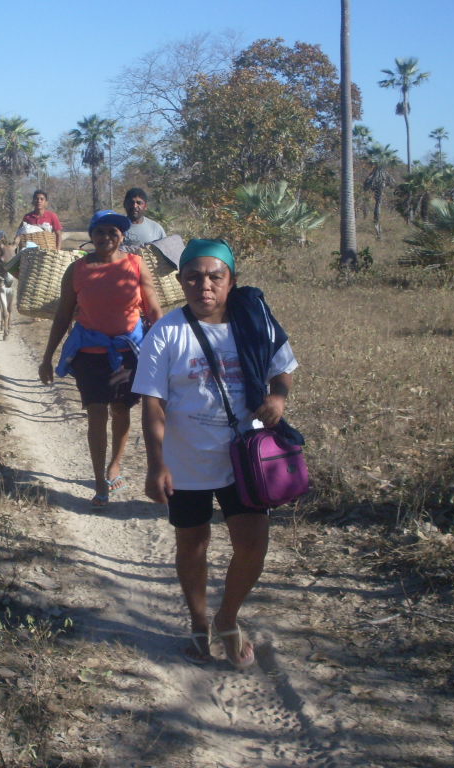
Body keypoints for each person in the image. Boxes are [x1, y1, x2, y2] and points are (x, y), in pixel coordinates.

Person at [132, 239, 300, 668]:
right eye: (193, 276)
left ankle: (227, 618)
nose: (203, 285)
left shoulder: (254, 323)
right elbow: (153, 403)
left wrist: (277, 399)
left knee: (252, 544)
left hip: (245, 462)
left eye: (214, 276)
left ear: (231, 281)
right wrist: (156, 465)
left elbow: (283, 368)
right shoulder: (166, 332)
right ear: (181, 281)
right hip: (186, 462)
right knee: (193, 543)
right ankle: (198, 622)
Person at [39, 209, 163, 508]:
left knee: (121, 409)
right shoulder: (78, 270)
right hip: (89, 355)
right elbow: (62, 315)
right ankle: (99, 482)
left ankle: (115, 466)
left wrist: (163, 352)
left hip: (127, 355)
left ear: (122, 236)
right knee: (96, 412)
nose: (107, 237)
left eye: (114, 232)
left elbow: (155, 311)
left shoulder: (135, 265)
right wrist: (47, 357)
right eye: (101, 232)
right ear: (92, 236)